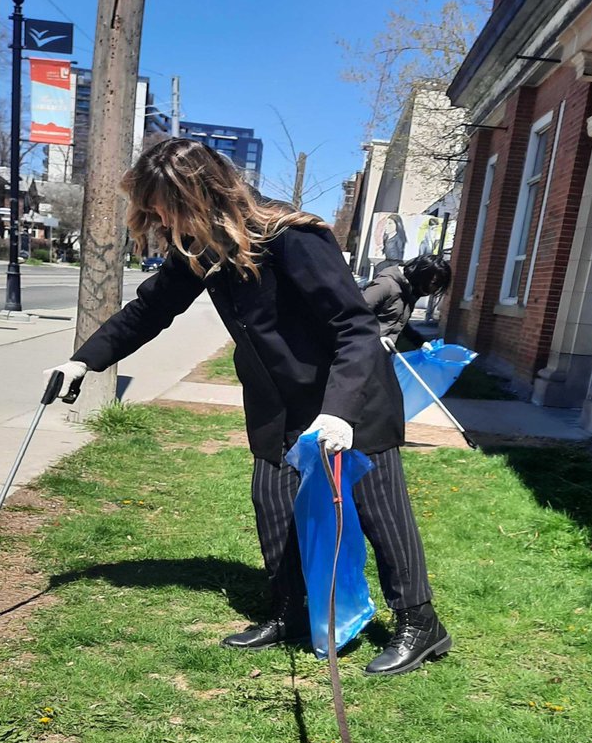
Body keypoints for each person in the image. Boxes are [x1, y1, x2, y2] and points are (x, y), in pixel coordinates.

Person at [43, 139, 450, 677]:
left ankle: (420, 625)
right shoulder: (202, 249)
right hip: (278, 402)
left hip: (349, 395)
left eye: (163, 207)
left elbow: (355, 326)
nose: (160, 221)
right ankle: (293, 611)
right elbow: (149, 310)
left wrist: (340, 413)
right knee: (274, 505)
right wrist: (83, 362)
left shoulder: (292, 237)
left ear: (196, 194)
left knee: (379, 511)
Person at [362, 255, 452, 353]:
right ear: (421, 275)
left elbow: (398, 323)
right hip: (362, 352)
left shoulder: (409, 292)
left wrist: (420, 342)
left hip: (381, 355)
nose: (433, 289)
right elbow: (355, 316)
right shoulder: (385, 285)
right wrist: (375, 337)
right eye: (434, 283)